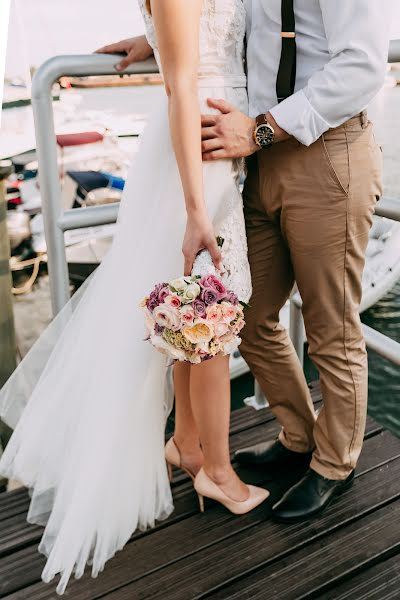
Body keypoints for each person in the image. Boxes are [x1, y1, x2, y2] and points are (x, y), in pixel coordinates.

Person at [0, 0, 269, 594]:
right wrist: (196, 208)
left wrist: (150, 35)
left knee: (192, 302)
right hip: (195, 148)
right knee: (210, 312)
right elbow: (179, 83)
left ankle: (189, 444)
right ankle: (219, 473)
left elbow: (190, 36)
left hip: (209, 138)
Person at [101, 0, 389, 523]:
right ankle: (300, 435)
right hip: (252, 155)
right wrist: (163, 37)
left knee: (330, 324)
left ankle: (334, 463)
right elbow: (242, 27)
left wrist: (262, 129)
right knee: (247, 316)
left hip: (323, 149)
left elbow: (362, 65)